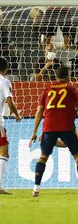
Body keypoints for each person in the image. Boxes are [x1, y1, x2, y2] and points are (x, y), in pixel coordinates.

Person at [28, 66, 78, 197]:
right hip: (66, 127)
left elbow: (39, 111)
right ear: (68, 76)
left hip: (48, 127)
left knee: (43, 157)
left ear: (56, 77)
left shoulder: (47, 89)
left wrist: (34, 132)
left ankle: (35, 189)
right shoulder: (71, 88)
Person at [0, 57, 22, 194]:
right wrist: (17, 115)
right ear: (6, 69)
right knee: (3, 151)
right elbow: (9, 101)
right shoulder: (4, 81)